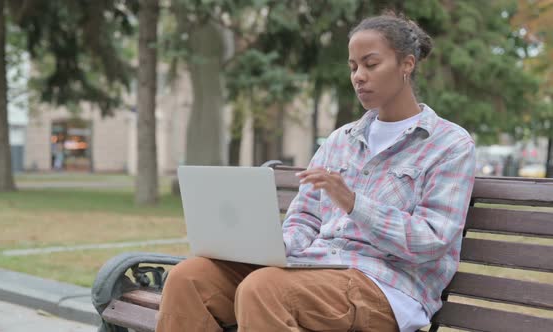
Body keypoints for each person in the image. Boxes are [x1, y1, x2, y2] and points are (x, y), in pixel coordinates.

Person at [156, 12, 476, 332]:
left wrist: (353, 203)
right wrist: (276, 248)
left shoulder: (449, 144)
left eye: (371, 64)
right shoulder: (340, 140)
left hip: (388, 286)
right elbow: (305, 218)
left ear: (407, 64)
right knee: (190, 278)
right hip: (315, 268)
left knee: (264, 289)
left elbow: (433, 241)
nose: (358, 76)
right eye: (353, 67)